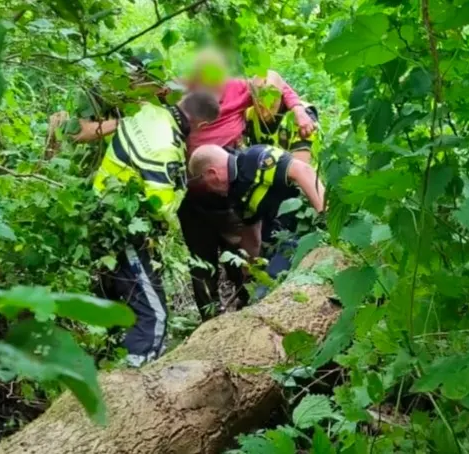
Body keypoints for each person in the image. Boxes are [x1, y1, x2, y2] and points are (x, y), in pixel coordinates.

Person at [74, 91, 220, 367]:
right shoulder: (165, 148)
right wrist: (181, 190)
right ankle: (132, 378)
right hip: (124, 229)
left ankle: (106, 368)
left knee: (117, 309)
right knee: (153, 316)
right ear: (201, 125)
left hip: (102, 216)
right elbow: (160, 207)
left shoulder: (147, 112)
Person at [177, 49, 316, 320]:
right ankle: (208, 320)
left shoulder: (237, 88)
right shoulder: (180, 95)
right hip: (193, 196)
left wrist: (299, 110)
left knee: (239, 253)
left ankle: (246, 309)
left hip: (229, 188)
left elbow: (279, 84)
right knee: (201, 261)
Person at [243, 73, 321, 297]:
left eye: (269, 101)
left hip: (298, 190)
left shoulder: (302, 117)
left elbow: (300, 167)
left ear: (281, 96)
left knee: (286, 240)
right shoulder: (249, 115)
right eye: (258, 101)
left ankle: (272, 289)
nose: (263, 109)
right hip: (266, 187)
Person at [187, 144, 325, 262]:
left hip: (311, 221)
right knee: (269, 280)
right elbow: (251, 236)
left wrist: (325, 216)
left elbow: (303, 170)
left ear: (212, 173)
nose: (208, 190)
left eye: (204, 183)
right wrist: (250, 269)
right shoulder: (236, 194)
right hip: (287, 236)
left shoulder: (254, 159)